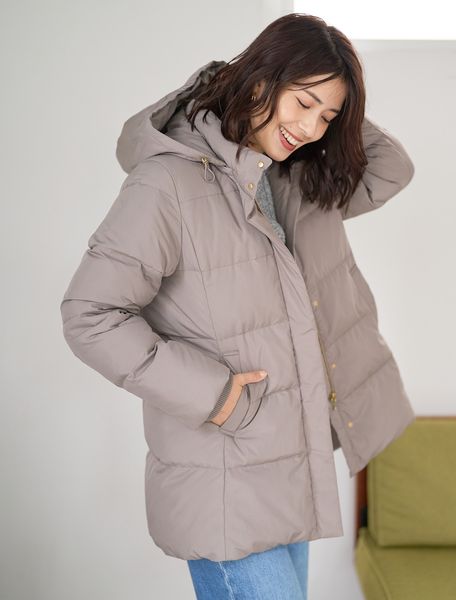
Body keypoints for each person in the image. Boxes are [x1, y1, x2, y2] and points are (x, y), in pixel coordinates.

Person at [60, 12, 416, 600]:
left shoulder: (297, 179)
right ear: (260, 80)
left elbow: (391, 169)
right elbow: (89, 315)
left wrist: (338, 92)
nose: (312, 128)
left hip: (289, 469)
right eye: (304, 102)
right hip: (224, 482)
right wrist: (216, 395)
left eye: (329, 117)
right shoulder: (167, 184)